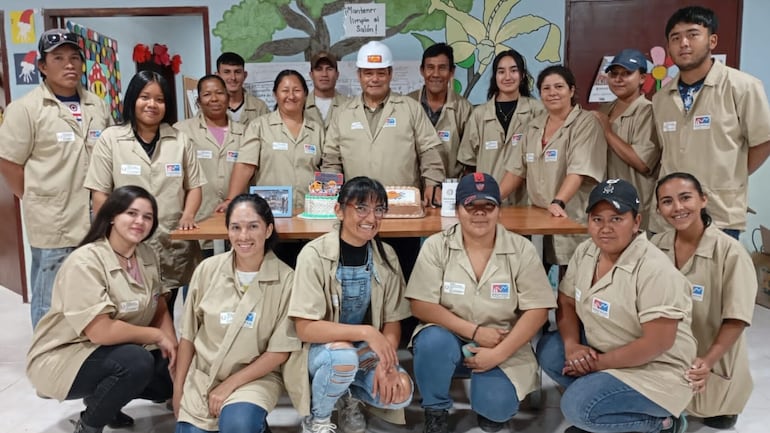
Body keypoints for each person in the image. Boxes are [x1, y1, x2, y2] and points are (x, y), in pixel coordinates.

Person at [536, 179, 695, 433]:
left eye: (617, 218)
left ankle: (663, 423)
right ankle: (608, 410)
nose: (605, 228)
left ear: (636, 223)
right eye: (597, 219)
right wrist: (572, 346)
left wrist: (597, 364)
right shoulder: (587, 251)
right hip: (608, 348)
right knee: (550, 350)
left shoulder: (655, 270)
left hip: (654, 370)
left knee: (577, 408)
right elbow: (566, 299)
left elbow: (658, 343)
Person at [406, 173, 555, 433]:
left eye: (489, 206)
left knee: (496, 409)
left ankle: (489, 395)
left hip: (501, 340)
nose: (480, 214)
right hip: (449, 335)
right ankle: (436, 409)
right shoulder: (436, 246)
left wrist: (499, 352)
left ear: (499, 209)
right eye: (471, 206)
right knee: (431, 342)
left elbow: (538, 310)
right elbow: (420, 305)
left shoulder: (522, 249)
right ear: (457, 209)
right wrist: (474, 332)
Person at [26, 186, 175, 433]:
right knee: (136, 363)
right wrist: (157, 337)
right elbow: (101, 332)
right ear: (113, 216)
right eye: (131, 213)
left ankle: (109, 402)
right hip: (64, 356)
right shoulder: (86, 261)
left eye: (147, 217)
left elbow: (158, 304)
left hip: (109, 350)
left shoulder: (146, 255)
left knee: (172, 374)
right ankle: (90, 424)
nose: (140, 221)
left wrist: (173, 346)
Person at [0, 28, 112, 327]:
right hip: (53, 220)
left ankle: (80, 356)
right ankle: (45, 358)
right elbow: (9, 163)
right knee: (49, 297)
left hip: (96, 218)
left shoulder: (97, 106)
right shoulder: (26, 109)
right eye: (58, 58)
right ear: (42, 66)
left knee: (90, 290)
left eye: (75, 58)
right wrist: (35, 196)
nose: (69, 65)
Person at [286, 176, 414, 433]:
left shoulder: (386, 255)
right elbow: (305, 329)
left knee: (401, 390)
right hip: (322, 350)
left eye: (379, 209)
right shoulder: (313, 254)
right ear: (339, 210)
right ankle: (319, 420)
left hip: (364, 349)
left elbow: (392, 321)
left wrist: (386, 364)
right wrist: (365, 332)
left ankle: (347, 396)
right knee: (343, 358)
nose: (371, 217)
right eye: (361, 208)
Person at [174, 194, 301, 433]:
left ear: (268, 230)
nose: (244, 236)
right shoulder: (207, 270)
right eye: (236, 227)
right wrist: (178, 390)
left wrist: (228, 386)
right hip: (204, 376)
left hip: (254, 378)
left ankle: (253, 422)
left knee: (238, 426)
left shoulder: (287, 280)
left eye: (253, 226)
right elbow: (188, 336)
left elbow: (279, 351)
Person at [321, 40, 445, 279]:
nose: (374, 79)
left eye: (380, 73)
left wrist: (432, 183)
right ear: (359, 75)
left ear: (390, 74)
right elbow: (331, 160)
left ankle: (407, 318)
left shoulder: (410, 108)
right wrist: (329, 194)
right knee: (360, 275)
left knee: (404, 273)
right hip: (356, 213)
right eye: (368, 73)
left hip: (402, 212)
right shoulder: (343, 113)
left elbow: (429, 150)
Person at [85, 70, 205, 312]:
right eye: (145, 97)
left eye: (160, 100)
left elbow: (194, 186)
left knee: (167, 307)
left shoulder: (180, 140)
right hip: (126, 238)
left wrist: (188, 216)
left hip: (172, 237)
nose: (152, 104)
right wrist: (107, 231)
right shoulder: (111, 139)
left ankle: (163, 349)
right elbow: (99, 192)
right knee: (130, 306)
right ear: (132, 100)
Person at [652, 6, 770, 238]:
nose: (684, 43)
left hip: (719, 213)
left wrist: (731, 175)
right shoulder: (660, 99)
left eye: (693, 34)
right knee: (670, 274)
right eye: (675, 38)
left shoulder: (742, 87)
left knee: (716, 274)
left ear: (712, 40)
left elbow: (763, 141)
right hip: (671, 217)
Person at [651, 172, 756, 430]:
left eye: (685, 198)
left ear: (703, 200)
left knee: (711, 410)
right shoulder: (654, 246)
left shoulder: (731, 253)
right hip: (665, 361)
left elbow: (737, 317)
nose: (677, 208)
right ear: (658, 209)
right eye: (667, 201)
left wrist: (707, 361)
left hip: (710, 365)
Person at [500, 65, 606, 268]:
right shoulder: (533, 126)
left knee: (573, 277)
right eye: (546, 88)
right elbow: (516, 170)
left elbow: (579, 170)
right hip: (538, 218)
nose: (552, 93)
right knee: (533, 275)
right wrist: (491, 199)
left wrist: (559, 202)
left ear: (572, 90)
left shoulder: (585, 123)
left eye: (559, 86)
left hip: (571, 215)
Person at [219, 69, 324, 213]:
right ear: (275, 95)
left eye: (297, 90)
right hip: (271, 211)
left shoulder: (316, 129)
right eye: (285, 90)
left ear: (305, 94)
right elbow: (245, 166)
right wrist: (230, 199)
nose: (291, 96)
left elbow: (326, 169)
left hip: (310, 211)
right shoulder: (259, 126)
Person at [457, 49, 544, 205]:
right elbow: (469, 162)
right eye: (501, 71)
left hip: (527, 200)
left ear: (523, 75)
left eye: (514, 70)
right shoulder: (480, 114)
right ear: (495, 77)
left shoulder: (537, 111)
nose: (507, 77)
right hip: (486, 199)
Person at [174, 74, 246, 255]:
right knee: (201, 278)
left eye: (219, 93)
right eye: (207, 94)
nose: (214, 99)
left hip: (239, 223)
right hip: (198, 221)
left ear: (228, 97)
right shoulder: (181, 131)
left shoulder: (245, 132)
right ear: (198, 101)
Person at [593, 48, 659, 232]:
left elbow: (642, 162)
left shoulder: (648, 111)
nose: (619, 79)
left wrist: (607, 130)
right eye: (614, 74)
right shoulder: (604, 109)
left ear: (642, 78)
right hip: (604, 203)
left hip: (635, 206)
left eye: (627, 73)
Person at [408, 42, 473, 179]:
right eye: (430, 68)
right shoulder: (407, 104)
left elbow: (469, 159)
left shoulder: (464, 108)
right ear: (422, 70)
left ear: (451, 72)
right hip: (412, 189)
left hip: (450, 190)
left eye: (442, 68)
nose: (436, 74)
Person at [215, 52, 269, 125]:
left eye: (237, 72)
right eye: (227, 72)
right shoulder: (210, 106)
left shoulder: (260, 107)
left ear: (245, 75)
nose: (233, 77)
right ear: (218, 76)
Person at [305, 51, 350, 128]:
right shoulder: (300, 105)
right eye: (319, 69)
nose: (324, 74)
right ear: (311, 75)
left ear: (337, 74)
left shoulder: (349, 105)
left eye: (329, 69)